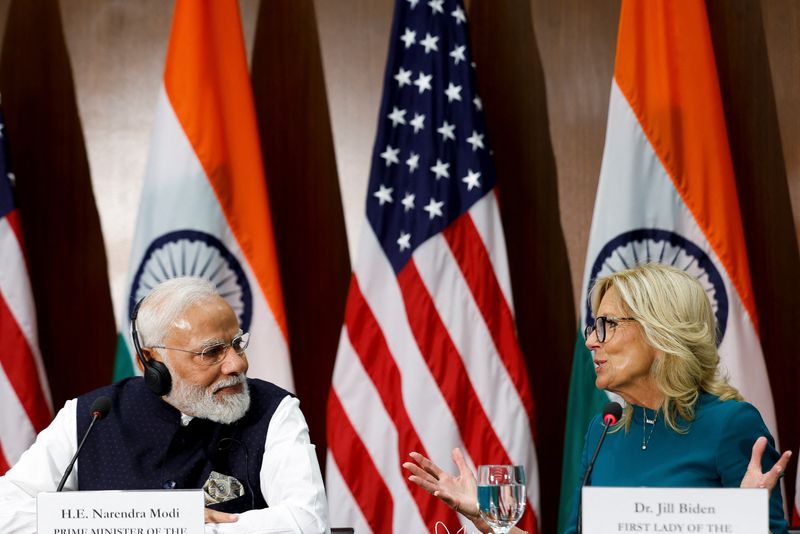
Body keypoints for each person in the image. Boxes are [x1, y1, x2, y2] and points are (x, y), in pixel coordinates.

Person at [403, 263, 792, 534]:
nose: (591, 341)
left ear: (661, 333)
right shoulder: (604, 430)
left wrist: (743, 525)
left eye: (606, 325)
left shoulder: (731, 425)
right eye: (593, 326)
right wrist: (491, 522)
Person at [0, 276, 329, 533]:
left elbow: (308, 523)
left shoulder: (273, 411)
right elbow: (6, 512)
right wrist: (153, 519)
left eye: (237, 344)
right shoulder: (90, 416)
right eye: (211, 352)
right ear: (152, 364)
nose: (237, 365)